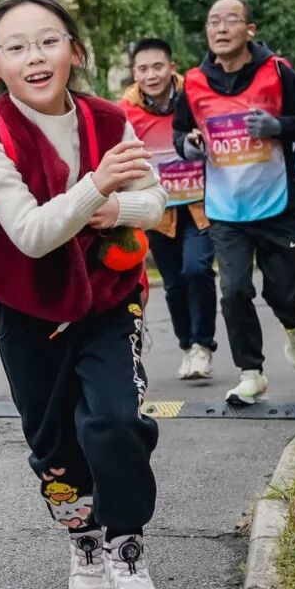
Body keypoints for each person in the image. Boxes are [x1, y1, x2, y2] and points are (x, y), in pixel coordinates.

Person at [0, 0, 168, 589]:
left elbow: (156, 205)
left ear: (75, 52)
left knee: (114, 421)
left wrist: (111, 206)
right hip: (27, 305)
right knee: (52, 442)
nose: (35, 56)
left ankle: (126, 548)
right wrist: (97, 186)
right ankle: (82, 539)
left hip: (109, 298)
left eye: (49, 40)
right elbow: (28, 235)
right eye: (16, 47)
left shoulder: (112, 119)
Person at [173, 0, 295, 406]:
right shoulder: (193, 83)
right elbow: (181, 132)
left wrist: (279, 126)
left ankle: (293, 324)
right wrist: (188, 143)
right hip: (225, 208)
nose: (220, 28)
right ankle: (251, 373)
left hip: (278, 203)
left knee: (282, 293)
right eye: (213, 22)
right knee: (235, 289)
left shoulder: (277, 72)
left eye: (230, 20)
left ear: (249, 30)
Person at [120, 39, 217, 381]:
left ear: (172, 68)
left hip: (201, 205)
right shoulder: (125, 111)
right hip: (158, 210)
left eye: (158, 67)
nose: (151, 75)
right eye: (143, 69)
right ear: (135, 74)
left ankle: (203, 345)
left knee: (197, 269)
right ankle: (187, 346)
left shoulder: (195, 97)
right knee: (174, 283)